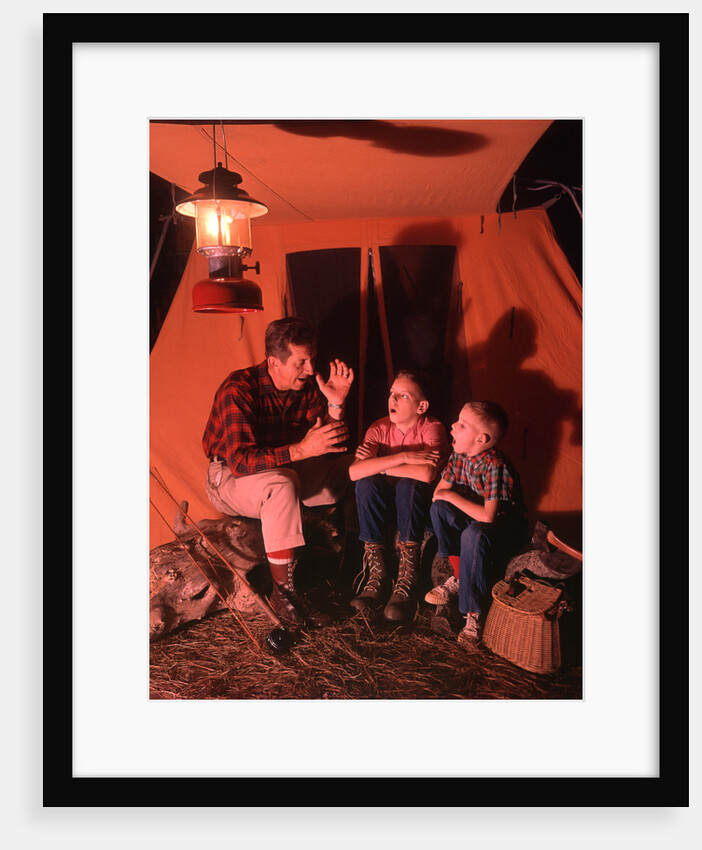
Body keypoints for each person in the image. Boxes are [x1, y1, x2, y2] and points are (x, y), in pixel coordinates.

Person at [202, 316, 354, 628]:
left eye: (312, 359)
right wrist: (301, 451)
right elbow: (242, 462)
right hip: (228, 477)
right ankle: (283, 595)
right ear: (274, 362)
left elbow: (328, 446)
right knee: (282, 484)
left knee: (350, 468)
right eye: (301, 362)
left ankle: (356, 567)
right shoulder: (239, 388)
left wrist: (336, 405)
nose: (311, 369)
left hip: (286, 468)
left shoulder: (306, 385)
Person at [348, 370, 449, 622]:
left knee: (409, 484)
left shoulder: (432, 428)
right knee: (366, 483)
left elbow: (426, 474)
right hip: (387, 510)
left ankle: (407, 580)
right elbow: (354, 472)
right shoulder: (379, 428)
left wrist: (379, 463)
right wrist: (404, 457)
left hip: (420, 511)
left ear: (421, 406)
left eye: (402, 396)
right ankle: (377, 576)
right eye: (391, 394)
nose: (392, 400)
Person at [426, 400, 527, 650]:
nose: (452, 426)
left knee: (473, 533)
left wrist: (452, 496)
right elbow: (438, 495)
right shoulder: (461, 456)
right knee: (439, 509)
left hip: (503, 528)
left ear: (480, 439)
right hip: (477, 519)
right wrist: (449, 497)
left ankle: (473, 616)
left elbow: (490, 516)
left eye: (461, 425)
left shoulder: (496, 466)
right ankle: (460, 577)